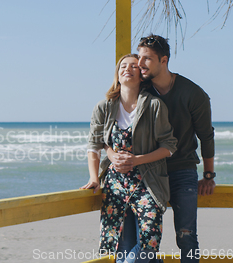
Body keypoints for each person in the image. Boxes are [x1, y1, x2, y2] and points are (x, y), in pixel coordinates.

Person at [108, 35, 216, 263]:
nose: (140, 64)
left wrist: (208, 175)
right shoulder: (141, 89)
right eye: (139, 58)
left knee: (187, 237)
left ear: (164, 60)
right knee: (144, 241)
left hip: (182, 171)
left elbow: (206, 136)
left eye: (147, 59)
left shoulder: (193, 94)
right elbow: (116, 121)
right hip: (147, 173)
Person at [81, 54, 177, 263]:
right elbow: (94, 144)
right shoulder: (104, 107)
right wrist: (94, 177)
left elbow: (169, 146)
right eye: (123, 66)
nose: (127, 69)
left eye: (134, 66)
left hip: (148, 182)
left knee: (148, 242)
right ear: (117, 74)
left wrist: (137, 160)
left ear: (142, 75)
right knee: (119, 246)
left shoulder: (154, 106)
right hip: (115, 185)